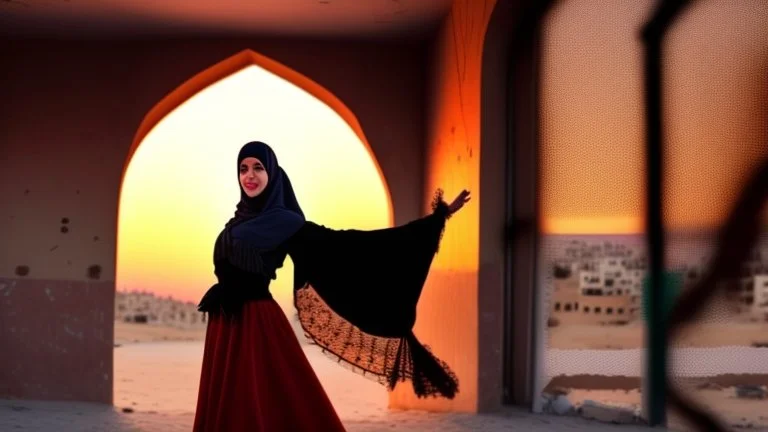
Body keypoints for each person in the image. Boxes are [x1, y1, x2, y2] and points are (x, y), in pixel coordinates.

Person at [193, 141, 471, 432]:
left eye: (258, 168)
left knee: (261, 401)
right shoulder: (236, 221)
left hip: (255, 324)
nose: (249, 175)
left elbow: (347, 245)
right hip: (225, 325)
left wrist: (437, 219)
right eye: (243, 169)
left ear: (273, 174)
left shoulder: (287, 222)